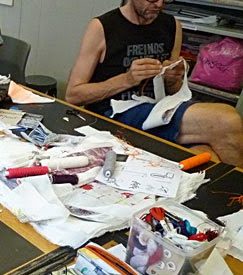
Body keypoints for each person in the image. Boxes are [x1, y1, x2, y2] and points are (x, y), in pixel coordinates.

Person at [65, 0, 243, 166]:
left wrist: (171, 80)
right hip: (115, 113)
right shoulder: (103, 27)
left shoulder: (172, 25)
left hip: (158, 110)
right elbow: (73, 95)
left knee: (209, 157)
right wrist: (127, 79)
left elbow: (174, 91)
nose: (158, 4)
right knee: (226, 120)